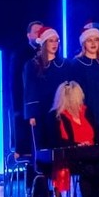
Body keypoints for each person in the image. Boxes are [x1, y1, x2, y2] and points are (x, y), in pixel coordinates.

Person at [51, 81, 99, 197]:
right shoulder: (57, 116)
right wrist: (77, 145)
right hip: (72, 157)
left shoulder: (85, 111)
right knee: (88, 170)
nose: (80, 100)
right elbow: (58, 141)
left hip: (91, 153)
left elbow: (97, 131)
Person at [63, 25, 99, 134]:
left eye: (96, 40)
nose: (93, 43)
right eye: (89, 40)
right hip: (85, 113)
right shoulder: (76, 64)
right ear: (84, 43)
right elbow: (72, 94)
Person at [23, 27, 65, 157]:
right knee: (43, 148)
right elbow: (30, 90)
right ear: (43, 43)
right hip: (41, 112)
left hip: (61, 110)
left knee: (60, 146)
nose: (54, 44)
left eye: (56, 40)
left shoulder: (64, 64)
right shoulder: (32, 65)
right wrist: (32, 114)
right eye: (50, 41)